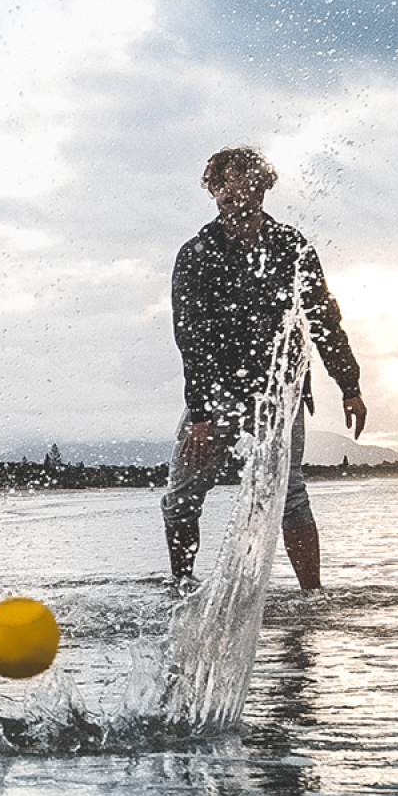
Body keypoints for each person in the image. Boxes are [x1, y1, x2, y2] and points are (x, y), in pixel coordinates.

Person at [161, 145, 367, 590]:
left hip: (279, 392)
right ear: (212, 191)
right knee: (180, 498)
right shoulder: (196, 254)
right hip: (214, 395)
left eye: (238, 181)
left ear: (261, 186)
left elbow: (324, 321)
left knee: (289, 494)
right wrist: (200, 415)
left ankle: (312, 598)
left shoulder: (292, 248)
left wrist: (349, 385)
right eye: (220, 184)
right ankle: (181, 588)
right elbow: (190, 339)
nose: (228, 192)